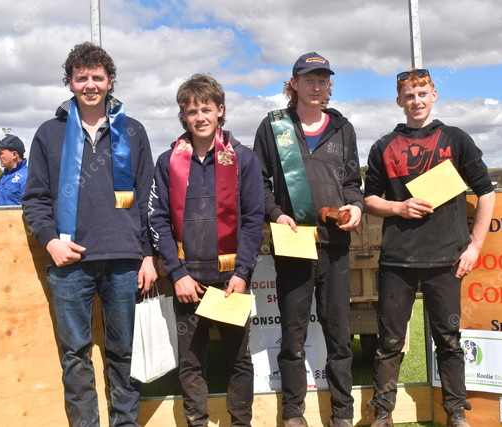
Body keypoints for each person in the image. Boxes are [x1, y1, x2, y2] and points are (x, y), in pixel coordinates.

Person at [22, 42, 157, 426]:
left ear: (110, 80)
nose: (90, 85)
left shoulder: (133, 130)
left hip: (125, 261)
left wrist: (149, 254)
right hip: (70, 263)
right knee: (75, 355)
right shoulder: (49, 134)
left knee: (124, 353)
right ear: (70, 82)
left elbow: (148, 198)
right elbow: (35, 199)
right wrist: (50, 241)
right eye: (81, 78)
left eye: (97, 77)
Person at [364, 68, 496, 427]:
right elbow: (369, 199)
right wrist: (398, 208)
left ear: (433, 95)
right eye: (409, 96)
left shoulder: (456, 139)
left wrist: (475, 246)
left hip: (447, 259)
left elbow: (486, 192)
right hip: (397, 261)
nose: (416, 101)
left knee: (449, 340)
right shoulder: (383, 146)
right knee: (389, 342)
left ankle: (455, 413)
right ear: (399, 101)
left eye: (422, 94)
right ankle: (383, 414)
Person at [253, 52, 364, 427]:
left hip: (335, 248)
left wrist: (356, 207)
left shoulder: (343, 128)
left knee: (340, 338)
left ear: (329, 85)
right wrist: (275, 214)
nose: (316, 86)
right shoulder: (273, 127)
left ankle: (342, 415)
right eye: (309, 79)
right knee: (292, 338)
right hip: (293, 245)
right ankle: (293, 414)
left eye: (322, 80)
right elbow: (258, 184)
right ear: (294, 84)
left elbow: (353, 183)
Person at [149, 73, 264, 426]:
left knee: (238, 360)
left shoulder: (243, 159)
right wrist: (177, 274)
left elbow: (253, 220)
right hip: (188, 282)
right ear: (183, 116)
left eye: (206, 109)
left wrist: (242, 273)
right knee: (191, 362)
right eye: (192, 111)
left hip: (231, 281)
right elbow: (159, 220)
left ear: (220, 111)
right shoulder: (168, 161)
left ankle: (240, 422)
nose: (200, 117)